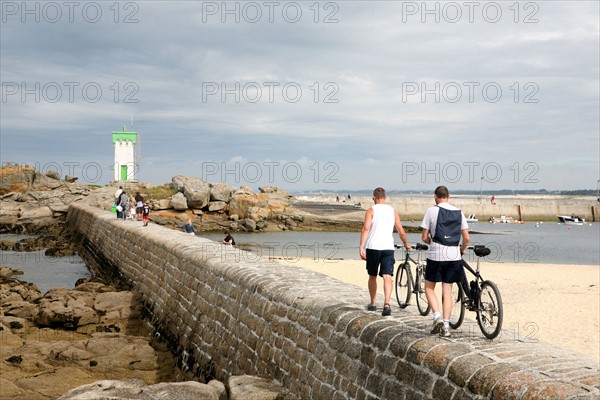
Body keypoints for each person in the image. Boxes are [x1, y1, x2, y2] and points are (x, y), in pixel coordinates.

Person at [420, 186, 470, 338]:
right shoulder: (459, 212)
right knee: (447, 291)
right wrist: (461, 249)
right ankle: (446, 326)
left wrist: (432, 243)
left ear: (435, 196)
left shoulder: (431, 211)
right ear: (449, 196)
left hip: (436, 255)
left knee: (429, 287)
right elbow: (467, 238)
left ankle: (437, 317)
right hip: (453, 256)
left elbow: (424, 237)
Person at [359, 187, 410, 316]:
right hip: (388, 247)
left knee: (372, 275)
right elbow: (400, 230)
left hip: (373, 247)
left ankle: (373, 303)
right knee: (387, 276)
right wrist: (405, 243)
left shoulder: (371, 210)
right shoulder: (392, 211)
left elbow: (366, 229)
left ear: (374, 198)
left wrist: (361, 246)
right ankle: (387, 303)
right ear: (385, 198)